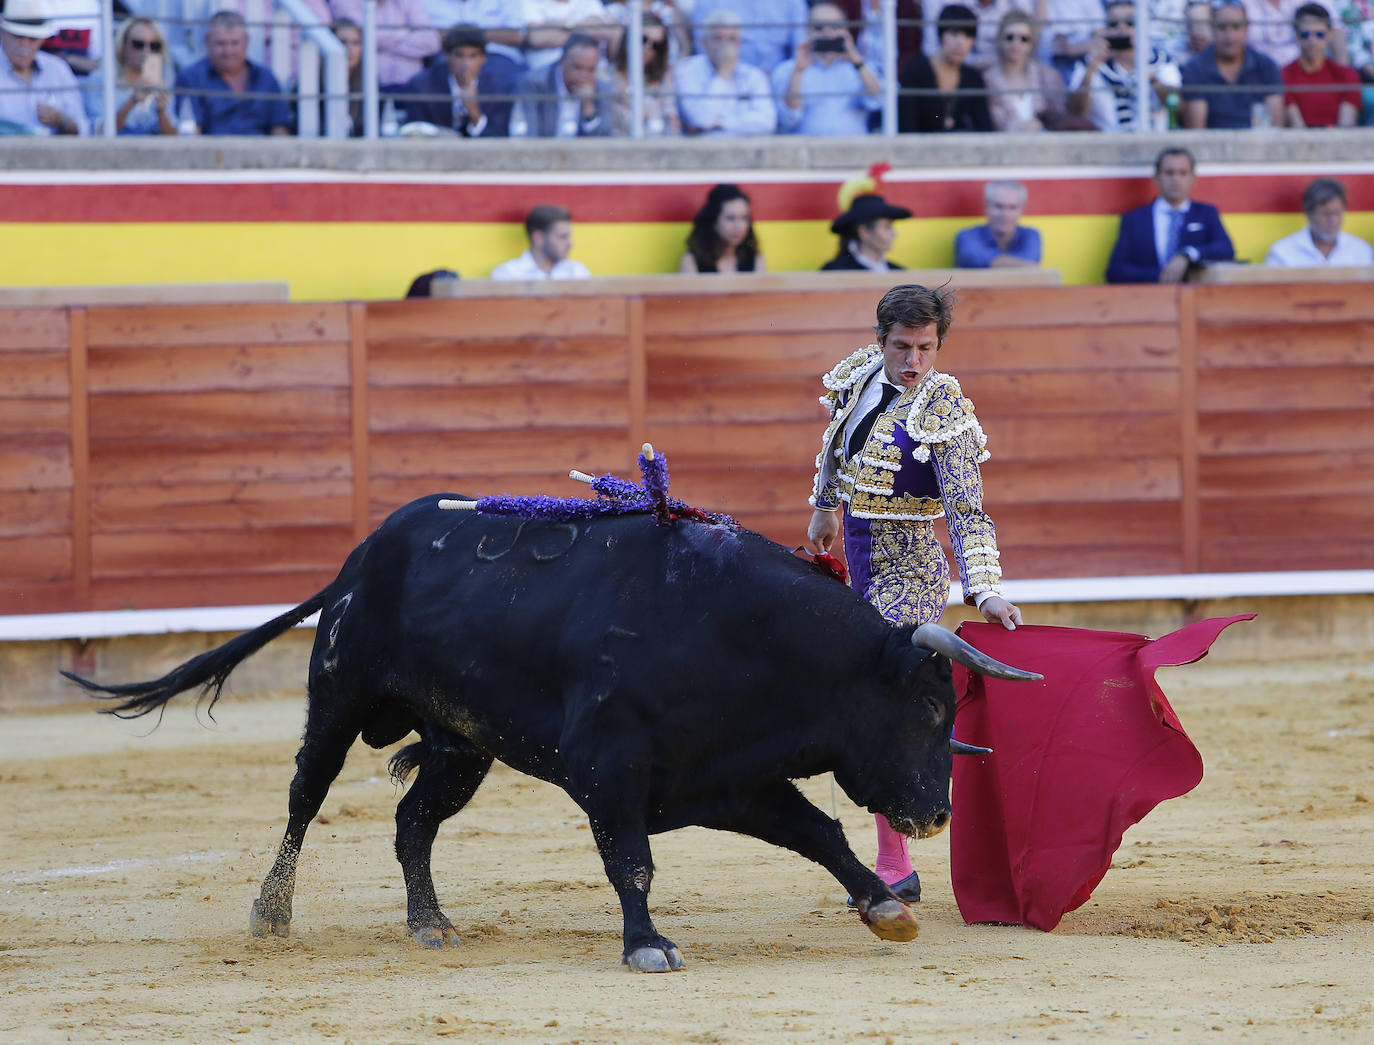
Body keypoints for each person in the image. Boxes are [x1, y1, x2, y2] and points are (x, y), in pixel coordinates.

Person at [807, 283, 1023, 904]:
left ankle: (894, 863)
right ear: (881, 341)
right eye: (902, 347)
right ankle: (892, 858)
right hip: (858, 556)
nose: (914, 362)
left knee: (889, 703)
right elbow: (835, 444)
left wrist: (983, 592)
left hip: (910, 565)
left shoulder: (946, 407)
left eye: (926, 348)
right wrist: (825, 508)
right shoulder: (861, 377)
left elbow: (967, 510)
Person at [1106, 147, 1235, 284]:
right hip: (1149, 300)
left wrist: (1187, 254)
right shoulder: (1135, 219)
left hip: (1195, 300)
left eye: (1183, 173)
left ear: (1193, 179)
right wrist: (1160, 276)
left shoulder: (1206, 213)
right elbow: (1115, 271)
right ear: (1156, 178)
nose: (1176, 179)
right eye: (1169, 173)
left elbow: (1226, 249)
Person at [770, 2, 883, 135]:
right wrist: (798, 71)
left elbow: (877, 101)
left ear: (845, 30)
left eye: (835, 27)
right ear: (807, 30)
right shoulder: (787, 70)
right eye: (819, 27)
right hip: (805, 152)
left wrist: (857, 61)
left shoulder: (860, 67)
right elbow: (789, 118)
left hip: (854, 150)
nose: (827, 33)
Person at [1068, 0, 1181, 132]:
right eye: (1113, 24)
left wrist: (1150, 77)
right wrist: (1091, 69)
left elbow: (1177, 108)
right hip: (1106, 146)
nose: (1121, 28)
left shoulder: (1161, 60)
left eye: (1130, 23)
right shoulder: (1089, 64)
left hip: (1156, 145)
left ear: (1143, 26)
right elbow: (1075, 114)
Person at [173, 10, 291, 135]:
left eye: (235, 43)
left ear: (246, 42)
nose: (228, 51)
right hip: (211, 151)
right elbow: (191, 131)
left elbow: (280, 128)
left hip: (261, 152)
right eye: (220, 43)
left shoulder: (266, 78)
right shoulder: (191, 78)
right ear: (207, 42)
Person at [1181, 0, 1284, 128]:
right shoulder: (1195, 68)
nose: (1229, 36)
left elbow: (1276, 126)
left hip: (1258, 145)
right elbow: (1196, 131)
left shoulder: (1266, 66)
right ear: (1212, 28)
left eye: (1236, 27)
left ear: (1247, 28)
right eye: (1222, 27)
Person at [675, 9, 777, 135]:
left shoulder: (753, 75)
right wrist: (723, 74)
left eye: (732, 39)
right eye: (718, 38)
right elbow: (702, 119)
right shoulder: (687, 71)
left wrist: (721, 123)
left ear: (739, 44)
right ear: (704, 42)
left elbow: (767, 121)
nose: (725, 45)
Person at [397, 25, 512, 136]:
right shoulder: (422, 85)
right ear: (447, 56)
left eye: (473, 56)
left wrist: (473, 110)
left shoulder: (498, 88)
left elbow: (499, 139)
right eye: (459, 55)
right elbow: (416, 134)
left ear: (483, 58)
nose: (465, 64)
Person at [899, 4, 994, 133]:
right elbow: (906, 126)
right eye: (954, 33)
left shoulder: (973, 78)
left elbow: (985, 129)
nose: (960, 43)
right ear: (941, 34)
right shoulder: (915, 70)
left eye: (968, 36)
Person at [0, 0, 89, 135]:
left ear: (42, 39)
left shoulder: (58, 69)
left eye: (33, 38)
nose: (24, 45)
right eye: (18, 36)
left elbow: (83, 128)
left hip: (54, 153)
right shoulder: (58, 68)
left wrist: (62, 121)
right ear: (2, 32)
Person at [514, 32, 614, 136]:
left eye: (590, 70)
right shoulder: (534, 83)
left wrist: (588, 108)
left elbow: (604, 140)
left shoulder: (601, 89)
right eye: (577, 68)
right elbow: (528, 136)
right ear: (562, 62)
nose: (583, 76)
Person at [983, 9, 1068, 131]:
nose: (1016, 43)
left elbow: (1060, 118)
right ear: (1000, 39)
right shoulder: (988, 79)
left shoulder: (1048, 76)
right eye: (1010, 37)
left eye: (1024, 39)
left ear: (1032, 43)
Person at [327, 0, 441, 89]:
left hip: (411, 87)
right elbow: (365, 37)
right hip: (371, 87)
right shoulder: (343, 2)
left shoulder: (407, 1)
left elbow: (432, 41)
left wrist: (383, 43)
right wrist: (406, 32)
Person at [1282, 3, 1361, 126]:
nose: (1312, 41)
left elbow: (1346, 129)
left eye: (1319, 34)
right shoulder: (1284, 75)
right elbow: (1297, 129)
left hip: (1338, 143)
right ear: (1296, 35)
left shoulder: (1346, 76)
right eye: (1305, 35)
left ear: (1329, 35)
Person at [1264, 177, 1374, 265]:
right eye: (1326, 214)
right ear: (1309, 214)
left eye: (1337, 213)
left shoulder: (1361, 250)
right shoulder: (1282, 253)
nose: (1333, 220)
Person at [610, 11, 680, 136]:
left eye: (656, 45)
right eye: (643, 39)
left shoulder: (663, 85)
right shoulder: (606, 79)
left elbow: (673, 131)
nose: (648, 48)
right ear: (629, 37)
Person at [690, 0, 808, 72]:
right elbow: (703, 51)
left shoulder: (794, 2)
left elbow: (800, 52)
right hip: (726, 84)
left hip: (779, 89)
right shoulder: (708, 2)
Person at [108, 17, 178, 135]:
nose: (147, 51)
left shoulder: (166, 81)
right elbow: (99, 131)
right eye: (138, 44)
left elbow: (174, 139)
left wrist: (161, 111)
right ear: (123, 46)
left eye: (154, 46)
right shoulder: (104, 79)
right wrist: (131, 102)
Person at [921, 0, 1036, 72]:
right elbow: (931, 50)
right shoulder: (937, 2)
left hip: (1001, 76)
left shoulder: (1018, 4)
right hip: (952, 72)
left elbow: (1028, 43)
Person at [678, 183, 766, 273]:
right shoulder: (691, 261)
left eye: (744, 218)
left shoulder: (755, 259)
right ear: (714, 221)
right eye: (731, 218)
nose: (739, 226)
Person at [490, 204, 593, 280]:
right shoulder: (507, 274)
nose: (570, 244)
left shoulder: (577, 271)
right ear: (538, 238)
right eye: (562, 237)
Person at [955, 181, 1041, 268]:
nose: (1005, 215)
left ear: (1022, 210)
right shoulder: (967, 236)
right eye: (998, 206)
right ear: (986, 207)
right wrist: (1021, 264)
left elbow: (1031, 260)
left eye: (1012, 207)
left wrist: (991, 261)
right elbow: (972, 257)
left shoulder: (1031, 235)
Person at [1239, 0, 1347, 68]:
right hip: (1258, 75)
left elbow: (1335, 31)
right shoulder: (1241, 3)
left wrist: (1340, 78)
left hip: (1305, 74)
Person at [821, 193, 913, 271]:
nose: (894, 234)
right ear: (864, 232)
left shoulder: (896, 271)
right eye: (887, 227)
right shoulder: (836, 271)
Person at [521, 0, 620, 71]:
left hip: (592, 73)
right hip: (546, 75)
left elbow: (603, 30)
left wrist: (566, 26)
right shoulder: (531, 2)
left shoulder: (588, 2)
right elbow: (536, 38)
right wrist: (584, 27)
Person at [1042, 0, 1106, 81]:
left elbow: (1101, 35)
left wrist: (1074, 48)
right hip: (1052, 60)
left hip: (1085, 58)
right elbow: (1042, 36)